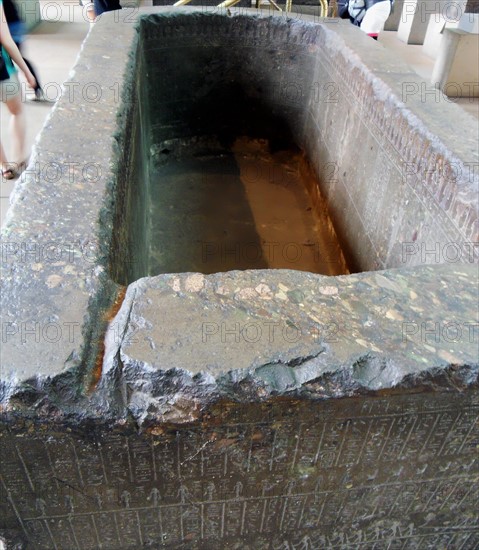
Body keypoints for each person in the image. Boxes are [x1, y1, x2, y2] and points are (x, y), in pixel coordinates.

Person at [0, 0, 36, 180]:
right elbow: (5, 39)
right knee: (17, 112)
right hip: (2, 73)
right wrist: (27, 71)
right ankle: (18, 159)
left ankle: (5, 167)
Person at [2, 0, 44, 100]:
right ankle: (29, 89)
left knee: (15, 57)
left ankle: (34, 88)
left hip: (11, 27)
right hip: (13, 25)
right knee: (14, 58)